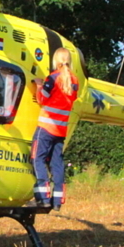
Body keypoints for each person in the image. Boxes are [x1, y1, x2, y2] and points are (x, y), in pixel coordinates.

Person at [31, 48, 79, 210]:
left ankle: (42, 197)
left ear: (56, 61)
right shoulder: (74, 81)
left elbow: (42, 99)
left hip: (46, 127)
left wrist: (38, 85)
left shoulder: (52, 78)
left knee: (37, 158)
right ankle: (57, 201)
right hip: (61, 130)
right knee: (57, 163)